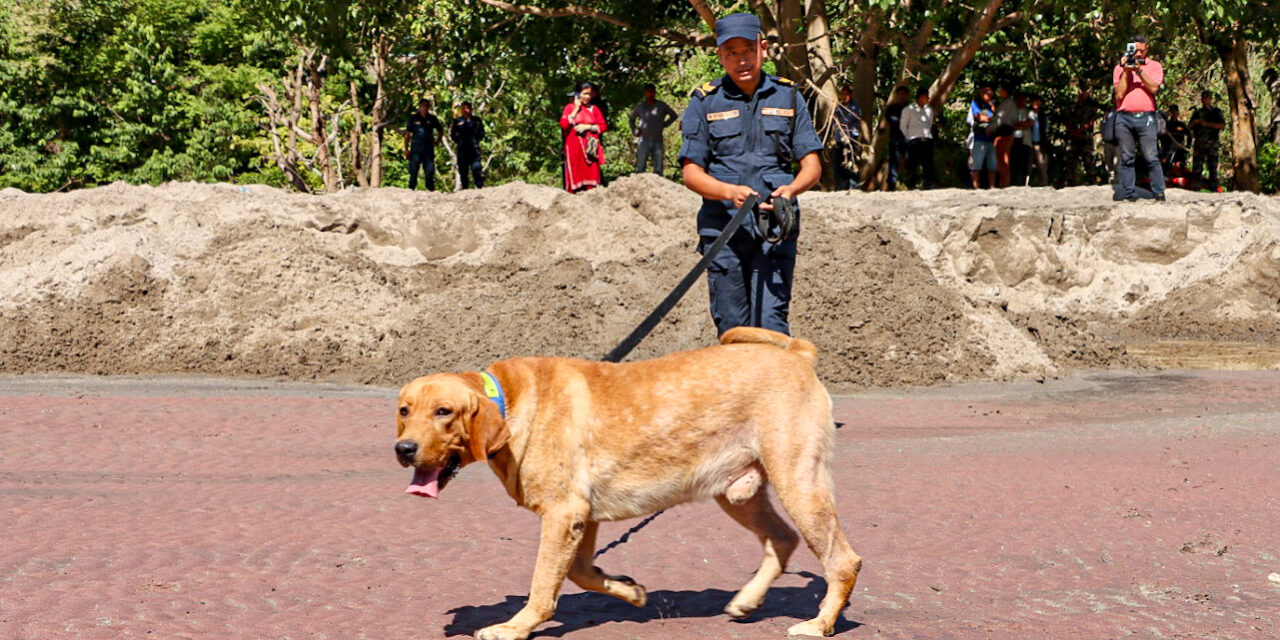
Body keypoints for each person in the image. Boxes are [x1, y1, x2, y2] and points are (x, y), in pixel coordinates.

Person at [678, 12, 822, 336]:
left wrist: (791, 190)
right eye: (731, 52)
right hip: (723, 229)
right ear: (719, 56)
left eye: (748, 50)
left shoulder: (789, 96)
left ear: (764, 48)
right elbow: (691, 173)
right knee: (733, 330)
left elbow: (811, 164)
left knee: (772, 327)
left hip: (775, 228)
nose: (741, 60)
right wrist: (728, 192)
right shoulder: (705, 101)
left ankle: (773, 388)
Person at [1112, 35, 1166, 201]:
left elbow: (1154, 88)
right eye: (1135, 51)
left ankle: (1158, 193)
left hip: (1146, 118)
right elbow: (1119, 94)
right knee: (1127, 158)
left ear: (1147, 49)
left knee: (1151, 157)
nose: (1139, 54)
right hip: (1124, 118)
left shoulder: (1155, 66)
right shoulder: (1119, 68)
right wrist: (1126, 71)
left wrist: (1139, 71)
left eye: (1142, 51)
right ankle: (1129, 194)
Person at [561, 82, 608, 192]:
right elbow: (564, 124)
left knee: (592, 172)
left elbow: (603, 126)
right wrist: (576, 109)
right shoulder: (570, 108)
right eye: (584, 94)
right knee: (576, 172)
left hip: (590, 145)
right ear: (578, 94)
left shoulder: (594, 109)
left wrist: (587, 127)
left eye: (589, 94)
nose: (587, 97)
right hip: (574, 146)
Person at [628, 83, 678, 175]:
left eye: (652, 92)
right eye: (648, 92)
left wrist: (664, 124)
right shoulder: (640, 106)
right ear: (645, 93)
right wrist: (634, 130)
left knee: (658, 169)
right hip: (643, 140)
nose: (650, 94)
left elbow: (674, 115)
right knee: (640, 167)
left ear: (655, 93)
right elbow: (631, 119)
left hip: (657, 140)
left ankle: (658, 188)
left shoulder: (661, 106)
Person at [1189, 90, 1226, 191]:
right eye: (1203, 98)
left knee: (1212, 167)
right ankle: (1196, 186)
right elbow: (1189, 127)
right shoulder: (1197, 112)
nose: (1205, 100)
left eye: (1207, 98)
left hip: (1212, 143)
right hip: (1199, 143)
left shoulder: (1216, 112)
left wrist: (1207, 124)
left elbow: (1222, 125)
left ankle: (1213, 187)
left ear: (1210, 99)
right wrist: (1195, 123)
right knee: (1197, 167)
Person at [1064, 86, 1102, 185]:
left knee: (1088, 160)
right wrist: (1073, 132)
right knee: (1071, 160)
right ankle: (1069, 182)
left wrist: (1081, 130)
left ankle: (1091, 181)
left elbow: (1092, 120)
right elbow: (1067, 120)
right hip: (1073, 137)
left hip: (1086, 137)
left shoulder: (1091, 105)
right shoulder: (1073, 104)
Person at [899, 87, 935, 189]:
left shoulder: (929, 110)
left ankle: (928, 185)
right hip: (914, 139)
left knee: (928, 165)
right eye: (925, 97)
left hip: (927, 139)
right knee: (912, 165)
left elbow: (930, 123)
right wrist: (909, 136)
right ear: (920, 97)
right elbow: (903, 125)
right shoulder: (908, 109)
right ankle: (911, 186)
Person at [404, 99, 444, 191]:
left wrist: (438, 141)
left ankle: (430, 191)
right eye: (423, 105)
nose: (425, 108)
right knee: (413, 171)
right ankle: (411, 189)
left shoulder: (432, 118)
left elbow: (440, 130)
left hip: (428, 149)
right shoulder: (413, 118)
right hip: (416, 149)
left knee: (429, 171)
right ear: (419, 106)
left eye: (427, 106)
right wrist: (406, 149)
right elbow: (407, 135)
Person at [450, 101, 485, 189]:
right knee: (463, 170)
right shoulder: (458, 121)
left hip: (474, 149)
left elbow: (482, 133)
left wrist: (476, 141)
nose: (465, 110)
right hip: (462, 149)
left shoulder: (476, 120)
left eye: (467, 108)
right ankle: (465, 188)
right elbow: (453, 135)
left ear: (471, 109)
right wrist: (459, 142)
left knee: (476, 169)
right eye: (463, 108)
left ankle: (480, 187)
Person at [833, 86, 863, 190]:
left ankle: (853, 185)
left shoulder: (855, 107)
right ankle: (840, 185)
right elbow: (834, 120)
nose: (844, 97)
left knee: (851, 161)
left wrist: (839, 122)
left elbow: (847, 120)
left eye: (846, 94)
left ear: (850, 95)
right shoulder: (838, 107)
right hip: (839, 138)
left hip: (851, 138)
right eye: (842, 94)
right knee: (838, 163)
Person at [991, 84, 1020, 188]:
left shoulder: (1007, 104)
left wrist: (990, 128)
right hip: (1006, 131)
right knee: (1003, 157)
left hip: (1004, 132)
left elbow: (1000, 119)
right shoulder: (1008, 103)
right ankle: (1004, 181)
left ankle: (1004, 182)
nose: (999, 92)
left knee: (1002, 157)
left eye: (1001, 90)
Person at [968, 86, 997, 189]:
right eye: (985, 92)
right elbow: (979, 117)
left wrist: (992, 107)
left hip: (992, 139)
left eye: (989, 92)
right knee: (976, 165)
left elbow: (998, 117)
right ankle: (976, 186)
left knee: (992, 166)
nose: (988, 94)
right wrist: (992, 118)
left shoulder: (994, 104)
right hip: (979, 138)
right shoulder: (976, 104)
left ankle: (992, 186)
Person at [881, 86, 910, 190]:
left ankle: (909, 184)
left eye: (904, 94)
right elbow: (891, 119)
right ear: (897, 95)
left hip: (908, 139)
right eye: (900, 94)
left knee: (909, 162)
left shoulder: (910, 108)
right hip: (895, 139)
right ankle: (891, 186)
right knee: (893, 163)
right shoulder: (891, 108)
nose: (902, 96)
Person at [1160, 104, 1191, 181]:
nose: (1174, 114)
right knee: (1166, 162)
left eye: (1175, 111)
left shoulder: (1181, 124)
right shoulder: (1166, 124)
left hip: (1180, 149)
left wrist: (1188, 146)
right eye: (1172, 112)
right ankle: (1166, 176)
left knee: (1180, 164)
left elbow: (1189, 135)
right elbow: (1161, 136)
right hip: (1168, 149)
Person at [1010, 91, 1034, 186]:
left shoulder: (1029, 112)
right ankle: (1013, 183)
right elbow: (1009, 124)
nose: (1021, 100)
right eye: (1019, 98)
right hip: (1013, 141)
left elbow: (1030, 123)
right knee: (1013, 163)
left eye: (1023, 98)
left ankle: (1025, 183)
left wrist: (1018, 124)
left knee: (1025, 164)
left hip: (1025, 141)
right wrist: (1022, 124)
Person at [1029, 95, 1050, 186]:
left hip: (1041, 143)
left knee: (1042, 165)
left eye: (1038, 102)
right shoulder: (1028, 114)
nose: (1036, 104)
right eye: (1034, 102)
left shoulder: (1043, 115)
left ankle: (1044, 183)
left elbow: (1046, 130)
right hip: (1030, 142)